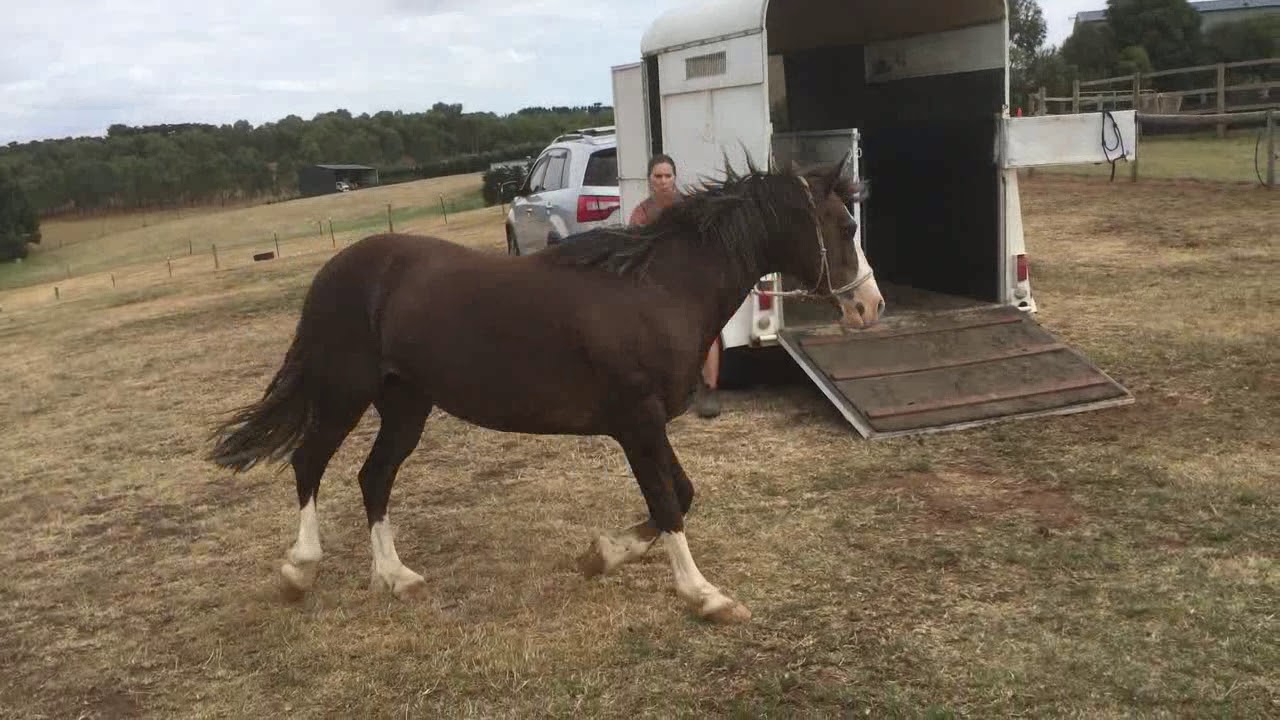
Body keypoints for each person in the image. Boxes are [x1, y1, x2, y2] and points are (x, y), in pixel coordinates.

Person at [629, 154, 721, 419]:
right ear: (650, 180)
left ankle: (709, 390)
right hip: (657, 288)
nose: (663, 181)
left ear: (675, 178)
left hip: (691, 286)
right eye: (658, 176)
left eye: (667, 176)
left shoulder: (691, 208)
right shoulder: (641, 213)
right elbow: (634, 251)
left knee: (709, 335)